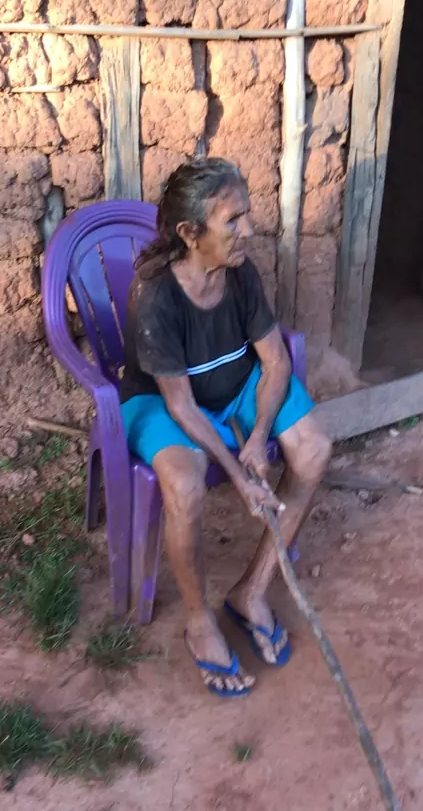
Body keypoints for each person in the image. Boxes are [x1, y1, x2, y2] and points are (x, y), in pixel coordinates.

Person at [120, 157, 332, 697]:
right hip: (164, 403)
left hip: (237, 385)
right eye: (232, 221)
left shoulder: (240, 273)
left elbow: (276, 361)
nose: (249, 231)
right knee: (185, 486)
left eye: (247, 215)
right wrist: (240, 475)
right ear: (190, 234)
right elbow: (182, 407)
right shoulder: (155, 296)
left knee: (313, 448)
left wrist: (258, 437)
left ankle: (251, 592)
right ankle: (198, 621)